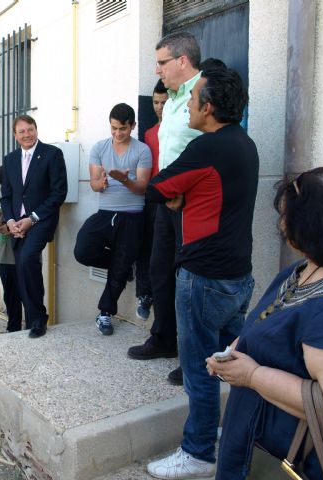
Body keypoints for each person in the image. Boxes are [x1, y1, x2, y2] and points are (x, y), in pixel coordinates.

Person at [207, 167, 323, 480]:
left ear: (315, 225)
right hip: (260, 443)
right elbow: (271, 317)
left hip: (298, 460)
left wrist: (252, 375)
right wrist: (235, 352)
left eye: (286, 216)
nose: (281, 224)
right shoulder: (307, 267)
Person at [145, 67, 258, 479]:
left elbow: (157, 187)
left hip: (204, 277)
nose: (188, 107)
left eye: (192, 101)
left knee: (200, 370)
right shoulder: (244, 143)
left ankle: (197, 452)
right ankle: (239, 433)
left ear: (208, 107)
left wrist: (177, 200)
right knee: (240, 361)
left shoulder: (206, 146)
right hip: (237, 275)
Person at [127, 32, 202, 389]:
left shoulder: (203, 95)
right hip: (167, 202)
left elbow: (208, 152)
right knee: (159, 270)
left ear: (182, 61)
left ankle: (195, 356)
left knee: (191, 281)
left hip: (191, 203)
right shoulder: (171, 100)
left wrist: (181, 190)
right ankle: (164, 338)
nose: (157, 70)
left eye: (161, 63)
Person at [74, 103, 151, 335]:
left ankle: (105, 313)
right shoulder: (99, 147)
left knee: (120, 265)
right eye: (114, 128)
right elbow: (94, 184)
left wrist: (125, 180)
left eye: (123, 129)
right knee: (83, 250)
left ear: (133, 126)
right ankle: (124, 265)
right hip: (106, 213)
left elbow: (142, 187)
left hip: (133, 214)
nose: (118, 133)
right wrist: (102, 182)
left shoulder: (142, 150)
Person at [0, 115, 68, 338]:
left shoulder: (52, 154)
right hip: (16, 223)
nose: (27, 134)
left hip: (41, 219)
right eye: (22, 131)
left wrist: (32, 219)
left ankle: (38, 319)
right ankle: (31, 320)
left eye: (30, 129)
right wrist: (10, 221)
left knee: (28, 259)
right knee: (23, 269)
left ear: (36, 130)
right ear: (15, 135)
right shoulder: (9, 160)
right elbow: (6, 196)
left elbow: (59, 192)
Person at [136, 79, 168, 321]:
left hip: (173, 195)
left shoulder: (179, 130)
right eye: (156, 102)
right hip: (151, 196)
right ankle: (145, 294)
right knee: (147, 245)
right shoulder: (148, 133)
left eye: (163, 102)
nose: (159, 107)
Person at [0, 165, 23, 332]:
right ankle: (13, 329)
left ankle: (33, 326)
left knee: (28, 294)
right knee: (10, 296)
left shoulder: (28, 198)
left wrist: (10, 229)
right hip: (5, 255)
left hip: (24, 255)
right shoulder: (3, 200)